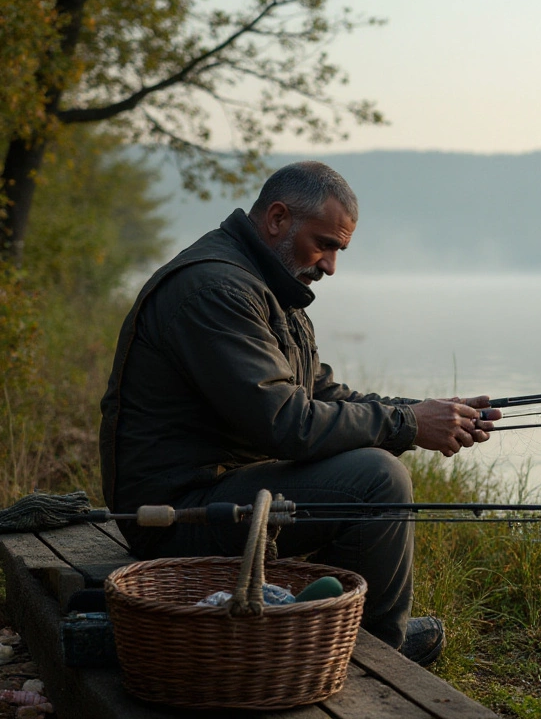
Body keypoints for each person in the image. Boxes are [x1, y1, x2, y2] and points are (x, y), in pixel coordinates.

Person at [98, 161, 499, 665]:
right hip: (177, 515)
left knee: (372, 459)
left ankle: (344, 635)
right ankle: (373, 656)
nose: (330, 265)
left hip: (221, 493)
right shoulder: (216, 290)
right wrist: (410, 425)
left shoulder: (265, 286)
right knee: (377, 478)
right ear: (277, 218)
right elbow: (287, 424)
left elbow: (321, 393)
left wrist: (425, 413)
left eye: (338, 250)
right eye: (324, 244)